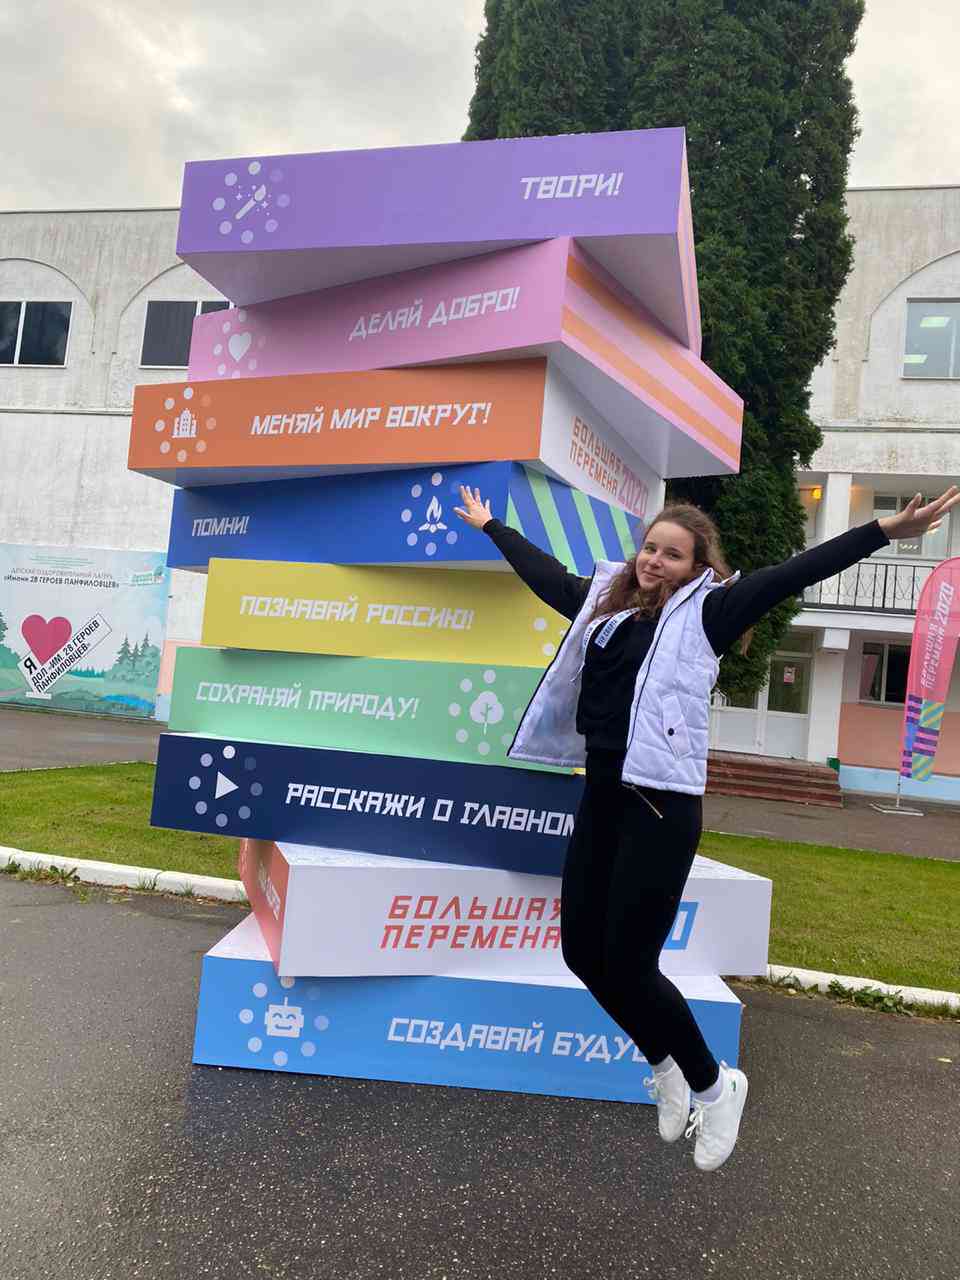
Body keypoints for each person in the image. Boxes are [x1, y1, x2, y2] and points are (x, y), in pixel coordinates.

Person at [454, 483, 959, 1171]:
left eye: (672, 554)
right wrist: (492, 526)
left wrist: (883, 531)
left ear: (697, 566)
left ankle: (716, 1088)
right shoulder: (604, 605)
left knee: (630, 964)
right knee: (581, 954)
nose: (654, 561)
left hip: (660, 807)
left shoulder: (709, 613)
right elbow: (547, 577)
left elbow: (793, 573)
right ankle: (664, 1067)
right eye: (649, 548)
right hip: (601, 796)